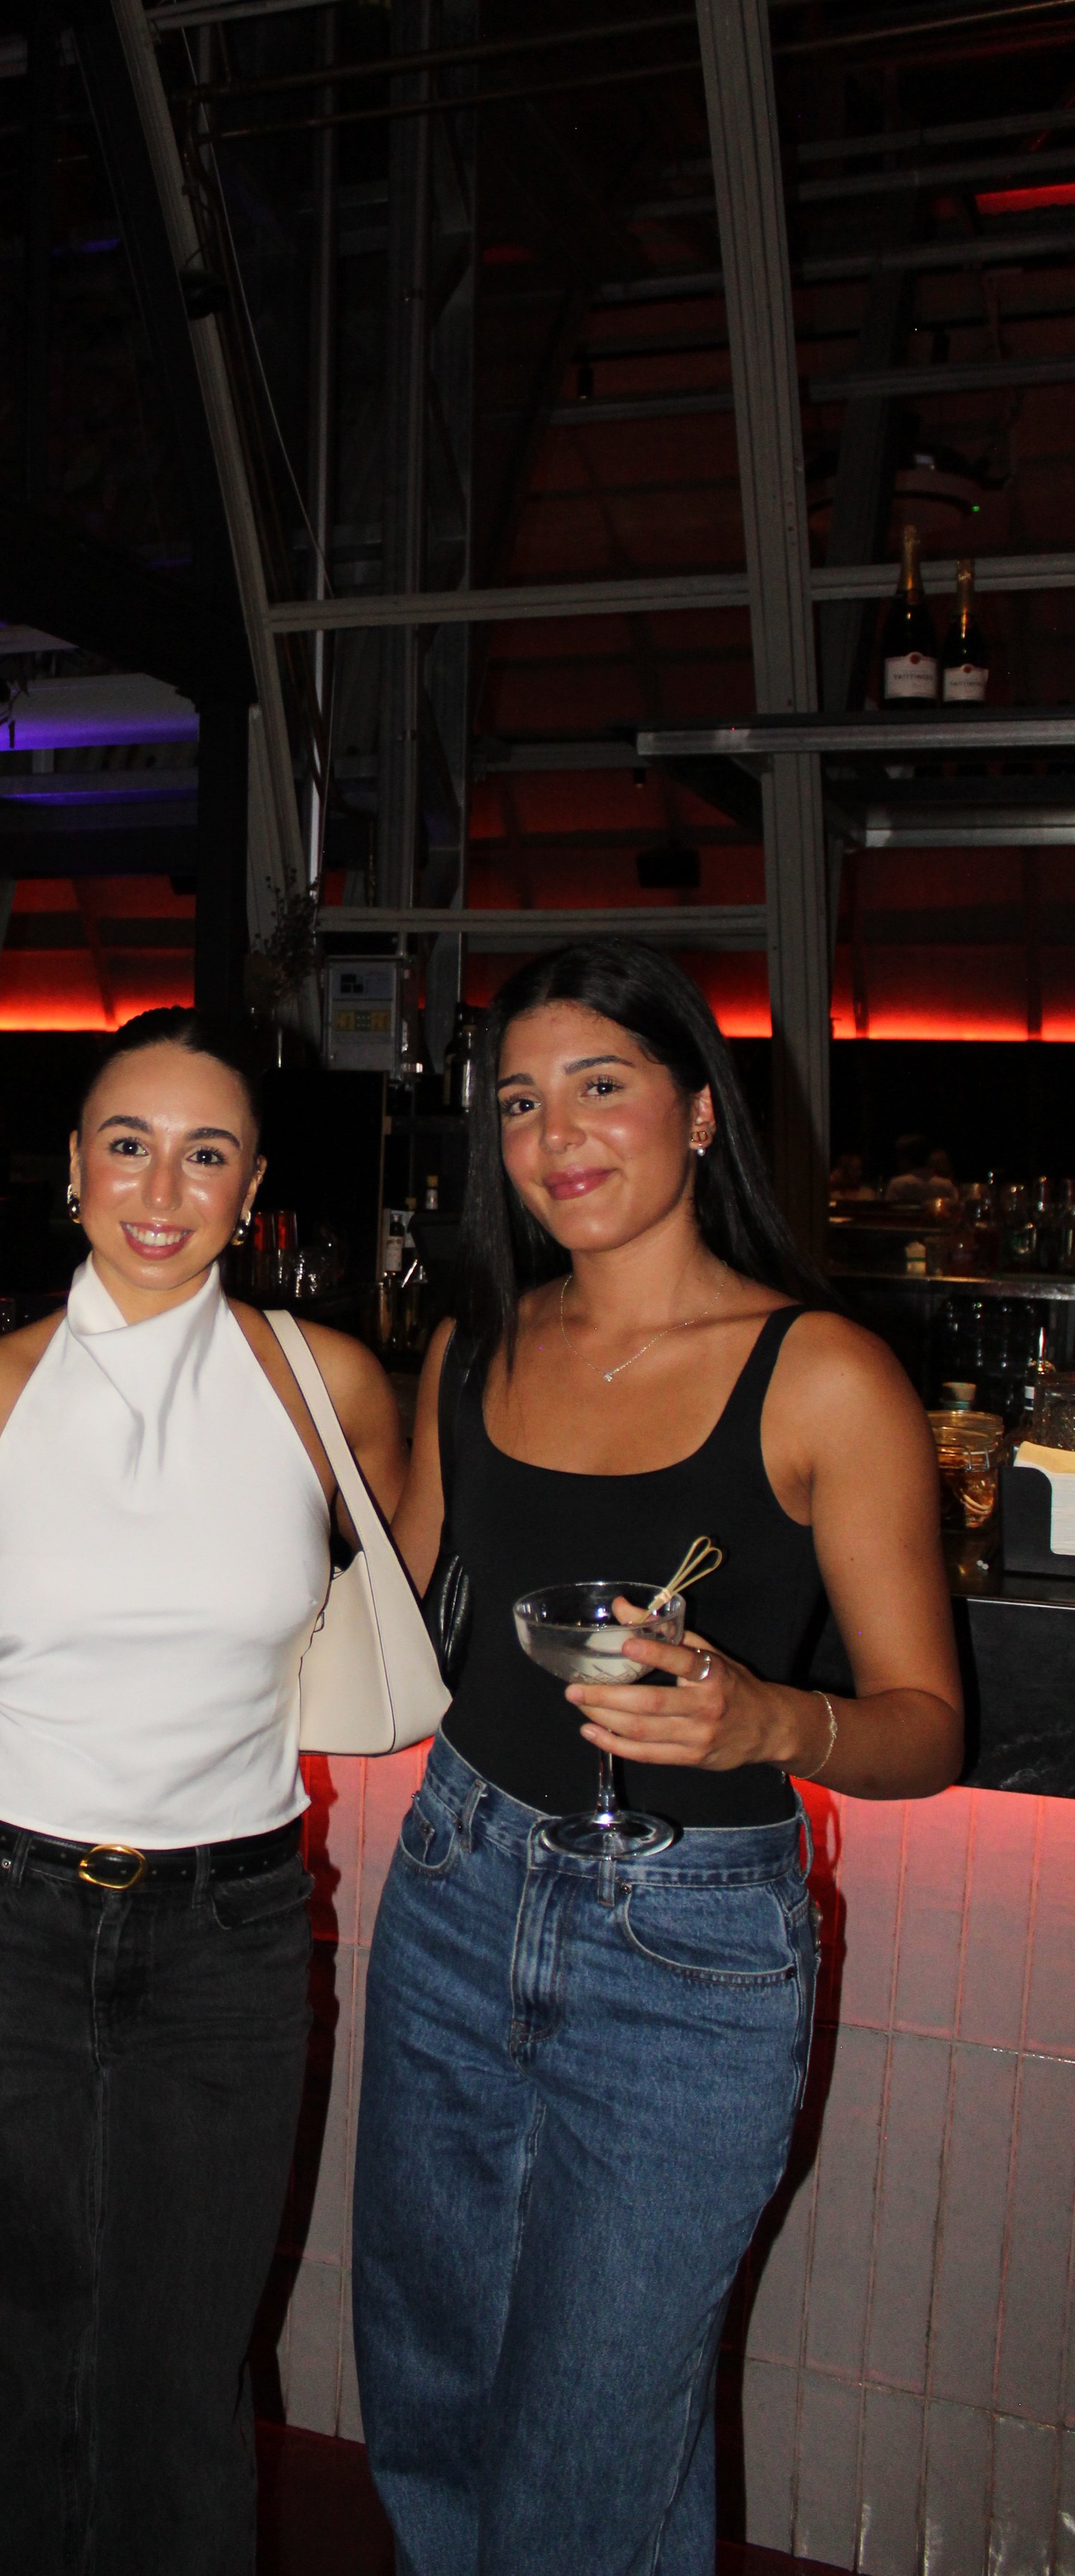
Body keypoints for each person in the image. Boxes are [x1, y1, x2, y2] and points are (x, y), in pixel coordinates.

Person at [357, 939, 962, 2576]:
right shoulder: (471, 1351)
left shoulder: (820, 1374)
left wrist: (765, 1720)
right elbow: (393, 1628)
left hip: (684, 1942)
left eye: (601, 1087)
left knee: (596, 2424)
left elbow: (923, 1724)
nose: (556, 1135)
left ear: (697, 1112)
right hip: (453, 1884)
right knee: (423, 2381)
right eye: (520, 1102)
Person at [0, 1006, 404, 2576]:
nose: (159, 1188)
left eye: (204, 1153)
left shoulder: (334, 1391)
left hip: (229, 1930)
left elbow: (391, 1610)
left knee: (183, 2371)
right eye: (126, 1143)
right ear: (74, 1173)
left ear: (251, 1192)